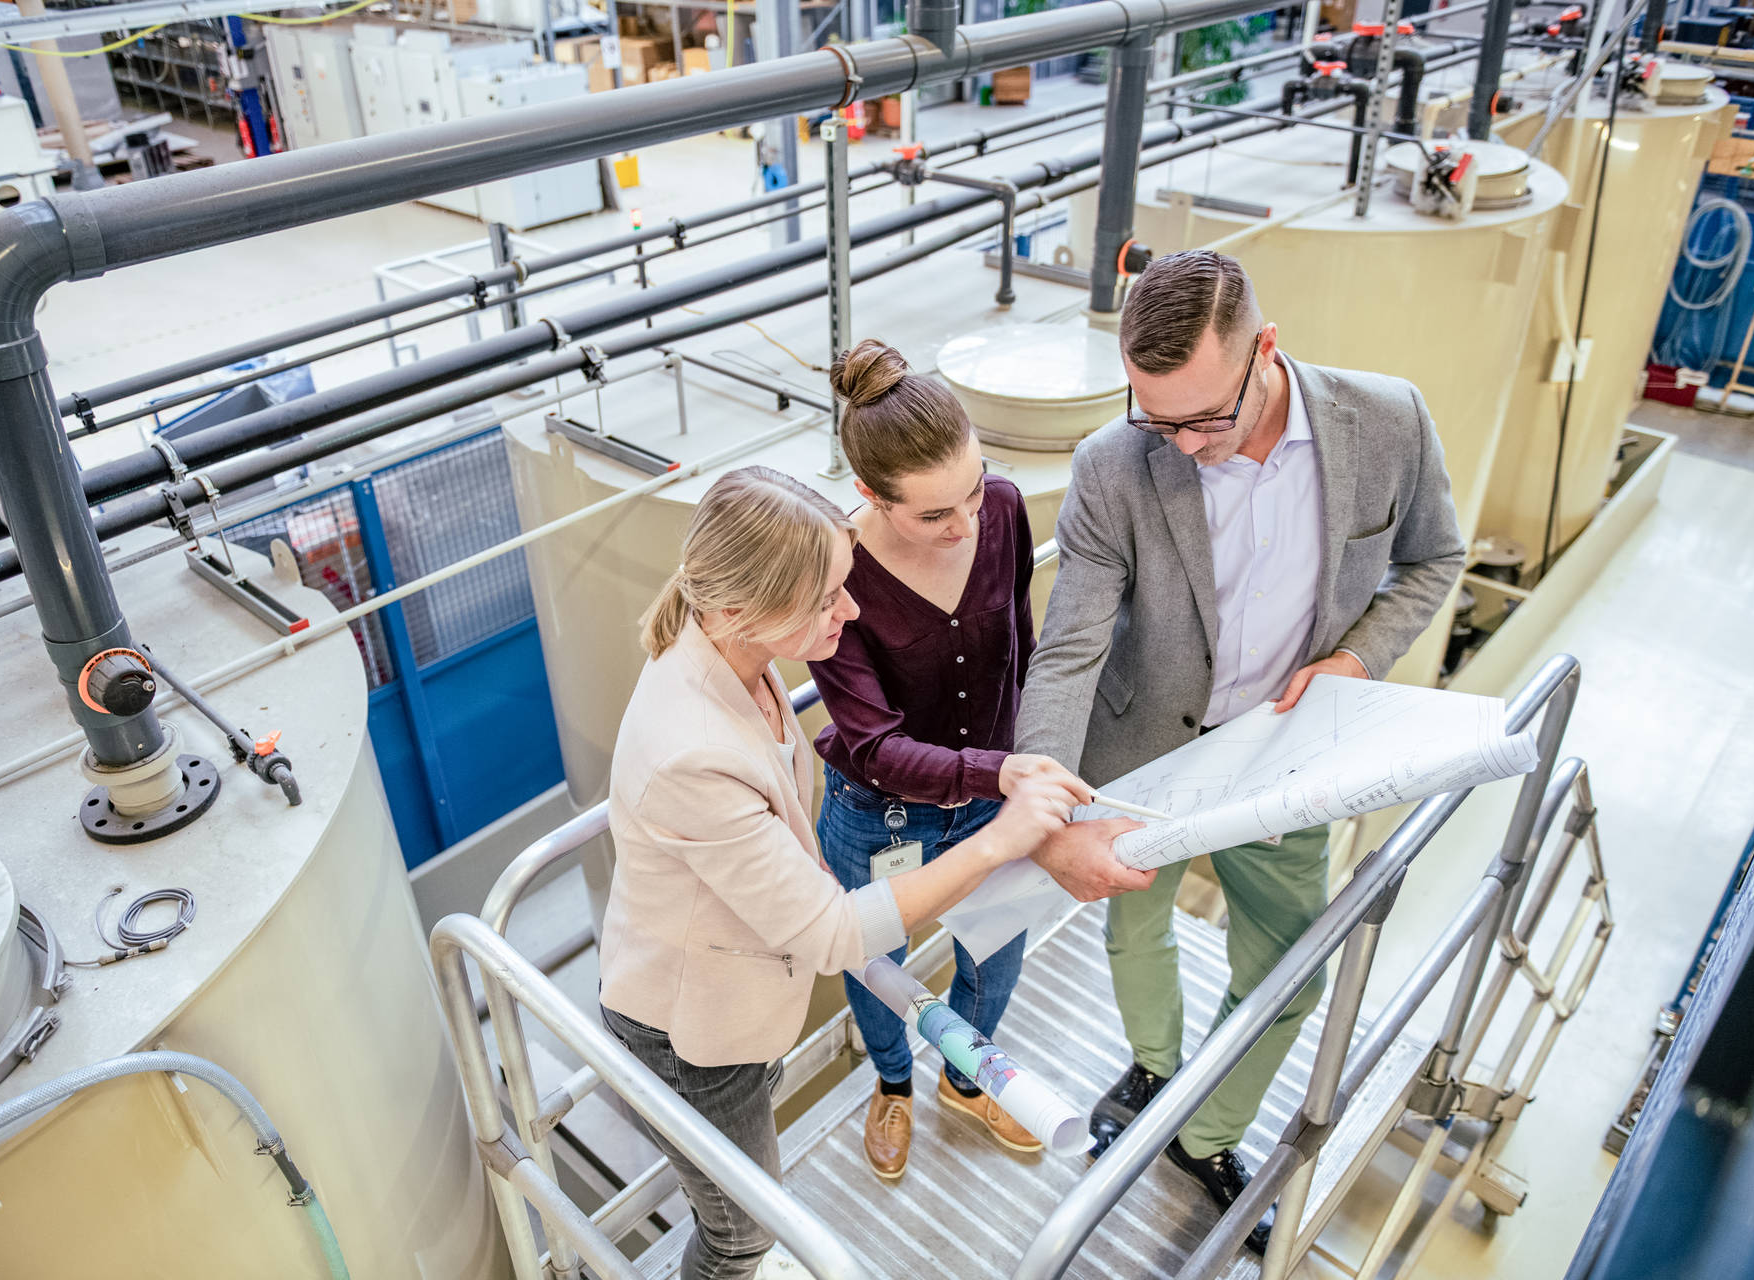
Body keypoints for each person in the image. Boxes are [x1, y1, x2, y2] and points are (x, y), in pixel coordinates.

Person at [1016, 249, 1465, 1253]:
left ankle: (1204, 1132)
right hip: (1139, 751)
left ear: (1268, 349)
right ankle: (1154, 1061)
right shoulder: (1111, 464)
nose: (1184, 445)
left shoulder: (1386, 419)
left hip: (1282, 757)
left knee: (1291, 967)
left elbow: (1436, 556)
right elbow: (1071, 644)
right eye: (1156, 418)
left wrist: (1356, 654)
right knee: (1135, 933)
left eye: (1205, 419)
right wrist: (1041, 798)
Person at [597, 464, 1112, 1280]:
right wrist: (999, 839)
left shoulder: (736, 659)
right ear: (742, 610)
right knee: (741, 1235)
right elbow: (837, 933)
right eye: (829, 599)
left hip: (746, 987)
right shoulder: (689, 750)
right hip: (689, 1031)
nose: (853, 609)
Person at [806, 339, 1101, 1180]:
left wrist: (1024, 763)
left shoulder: (1005, 508)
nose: (965, 523)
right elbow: (872, 744)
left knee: (998, 946)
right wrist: (1000, 773)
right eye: (934, 513)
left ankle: (968, 1083)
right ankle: (893, 1081)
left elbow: (1024, 644)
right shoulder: (835, 571)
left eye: (971, 490)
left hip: (994, 791)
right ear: (868, 493)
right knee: (876, 964)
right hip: (878, 813)